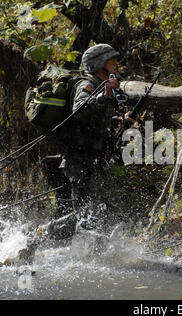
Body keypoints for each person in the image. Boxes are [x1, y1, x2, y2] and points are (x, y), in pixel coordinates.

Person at [17, 44, 134, 264]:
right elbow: (79, 110)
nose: (116, 64)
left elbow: (98, 121)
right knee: (84, 213)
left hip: (94, 158)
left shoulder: (104, 85)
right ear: (100, 64)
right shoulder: (87, 84)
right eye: (111, 61)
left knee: (98, 209)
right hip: (78, 160)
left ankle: (94, 253)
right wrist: (104, 96)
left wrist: (121, 120)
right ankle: (39, 234)